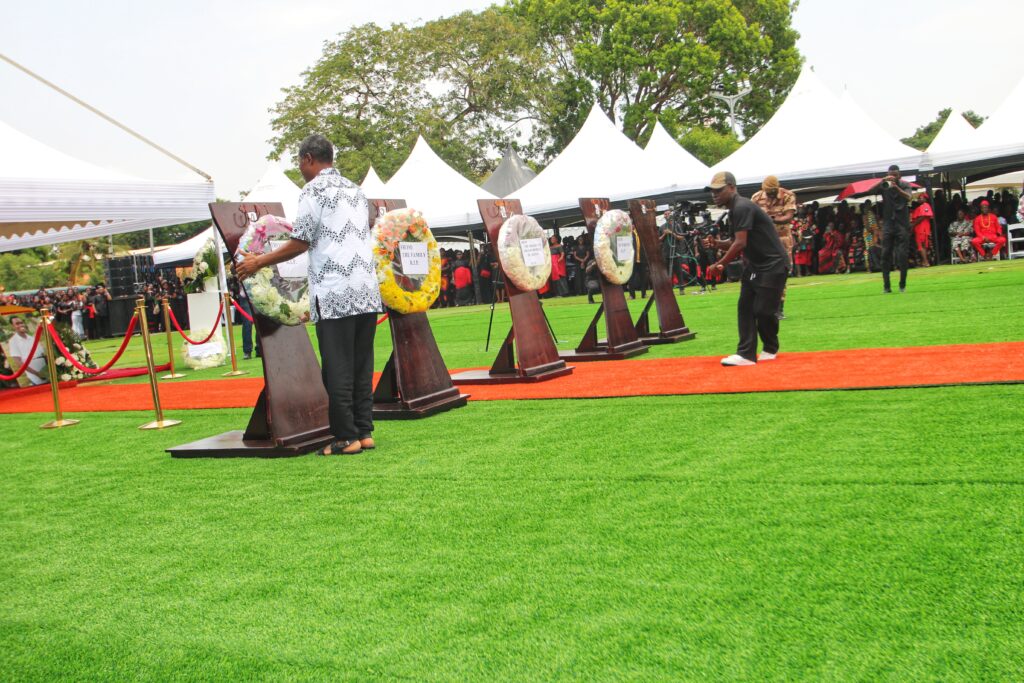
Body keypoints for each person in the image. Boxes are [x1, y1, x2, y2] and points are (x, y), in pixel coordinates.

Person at [235, 134, 382, 456]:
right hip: (366, 288)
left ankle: (346, 437)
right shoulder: (356, 191)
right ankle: (364, 430)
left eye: (300, 163)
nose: (301, 169)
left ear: (308, 159)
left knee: (337, 366)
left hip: (335, 289)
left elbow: (300, 242)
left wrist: (258, 261)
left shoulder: (313, 191)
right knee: (361, 363)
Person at [703, 171, 789, 366]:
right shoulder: (735, 209)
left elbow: (740, 243)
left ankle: (770, 347)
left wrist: (721, 263)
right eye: (712, 191)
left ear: (732, 187)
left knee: (763, 311)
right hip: (755, 265)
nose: (714, 195)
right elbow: (736, 240)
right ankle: (746, 354)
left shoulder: (742, 207)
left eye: (719, 190)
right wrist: (717, 244)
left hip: (773, 264)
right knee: (746, 307)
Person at [751, 176, 796, 318]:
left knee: (781, 273)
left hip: (782, 239)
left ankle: (778, 308)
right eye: (768, 192)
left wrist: (771, 220)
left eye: (773, 191)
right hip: (763, 241)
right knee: (763, 273)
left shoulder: (787, 195)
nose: (770, 195)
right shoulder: (756, 198)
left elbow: (789, 216)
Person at [877, 165, 913, 293]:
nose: (892, 177)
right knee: (885, 254)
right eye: (890, 175)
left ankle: (902, 284)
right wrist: (882, 180)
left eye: (895, 175)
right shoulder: (884, 186)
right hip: (888, 224)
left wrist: (896, 187)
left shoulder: (905, 185)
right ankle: (886, 286)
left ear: (899, 176)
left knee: (902, 255)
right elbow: (870, 190)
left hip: (901, 224)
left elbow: (909, 197)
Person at [7, 316, 47, 385]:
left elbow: (43, 354)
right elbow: (18, 362)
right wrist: (37, 374)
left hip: (46, 372)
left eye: (21, 323)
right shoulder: (13, 341)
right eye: (17, 324)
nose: (21, 325)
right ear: (12, 326)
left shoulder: (32, 338)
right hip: (35, 378)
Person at [911, 194, 934, 267]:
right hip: (919, 228)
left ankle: (926, 262)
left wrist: (913, 224)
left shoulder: (925, 205)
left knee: (921, 246)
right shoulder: (920, 207)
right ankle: (924, 261)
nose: (919, 199)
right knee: (923, 246)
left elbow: (923, 216)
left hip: (922, 228)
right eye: (918, 198)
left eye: (920, 198)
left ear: (925, 199)